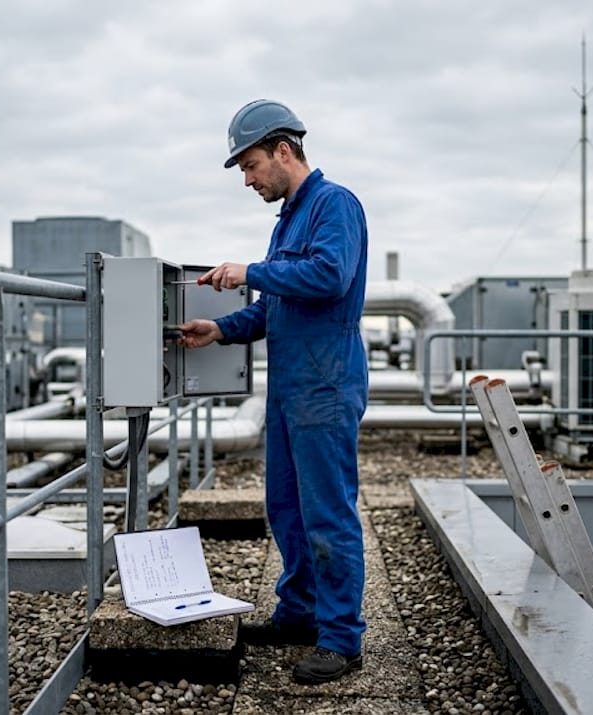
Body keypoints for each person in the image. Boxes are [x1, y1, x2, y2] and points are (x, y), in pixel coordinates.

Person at [179, 99, 369, 685]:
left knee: (328, 512)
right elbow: (275, 309)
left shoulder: (334, 204)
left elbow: (329, 277)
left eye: (251, 164)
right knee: (285, 508)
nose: (248, 178)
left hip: (326, 384)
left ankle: (340, 638)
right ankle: (298, 613)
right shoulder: (290, 218)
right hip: (291, 388)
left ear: (284, 151)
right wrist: (221, 329)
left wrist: (250, 271)